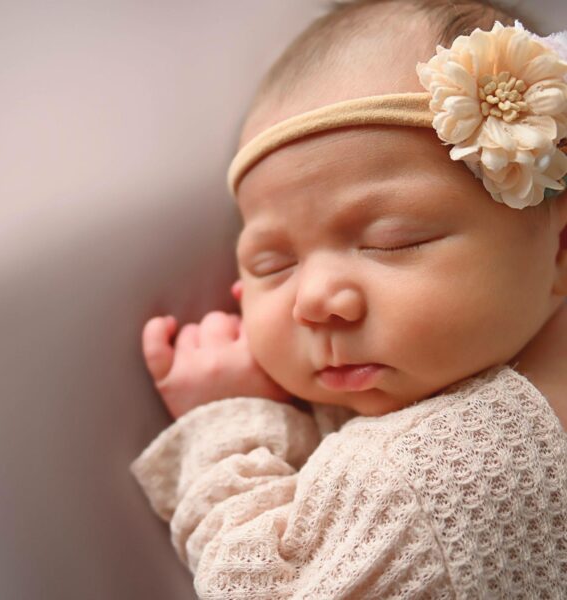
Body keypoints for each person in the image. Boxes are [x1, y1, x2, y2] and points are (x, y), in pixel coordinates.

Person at [131, 1, 567, 597]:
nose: (314, 299)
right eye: (274, 264)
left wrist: (230, 424)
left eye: (393, 242)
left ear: (561, 247)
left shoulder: (420, 482)